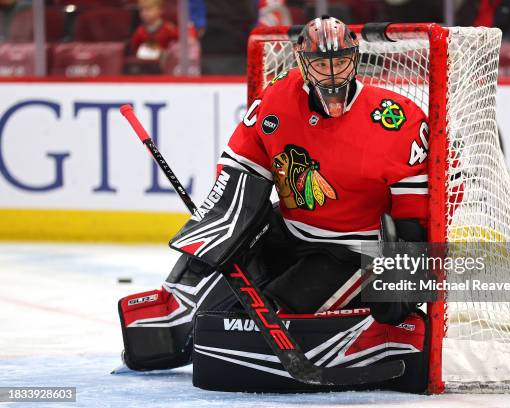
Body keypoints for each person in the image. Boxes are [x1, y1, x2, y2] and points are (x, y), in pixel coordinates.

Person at [117, 16, 429, 375]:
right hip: (290, 233)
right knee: (223, 310)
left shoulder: (395, 119)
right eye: (320, 64)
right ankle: (162, 343)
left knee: (273, 317)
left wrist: (404, 279)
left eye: (340, 62)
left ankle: (375, 332)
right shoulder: (278, 101)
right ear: (301, 63)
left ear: (356, 59)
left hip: (353, 252)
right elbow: (239, 173)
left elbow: (415, 215)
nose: (331, 74)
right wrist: (218, 241)